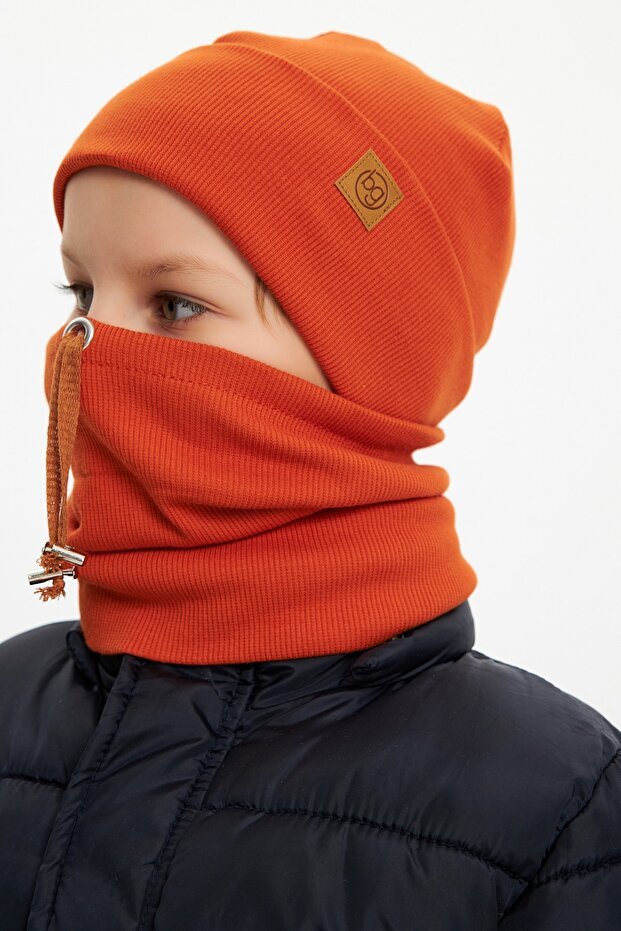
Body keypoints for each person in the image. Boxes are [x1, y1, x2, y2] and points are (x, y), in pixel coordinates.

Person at [1, 28, 619, 930]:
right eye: (82, 295)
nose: (90, 349)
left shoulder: (554, 804)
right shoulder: (8, 701)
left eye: (175, 303)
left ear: (365, 363)